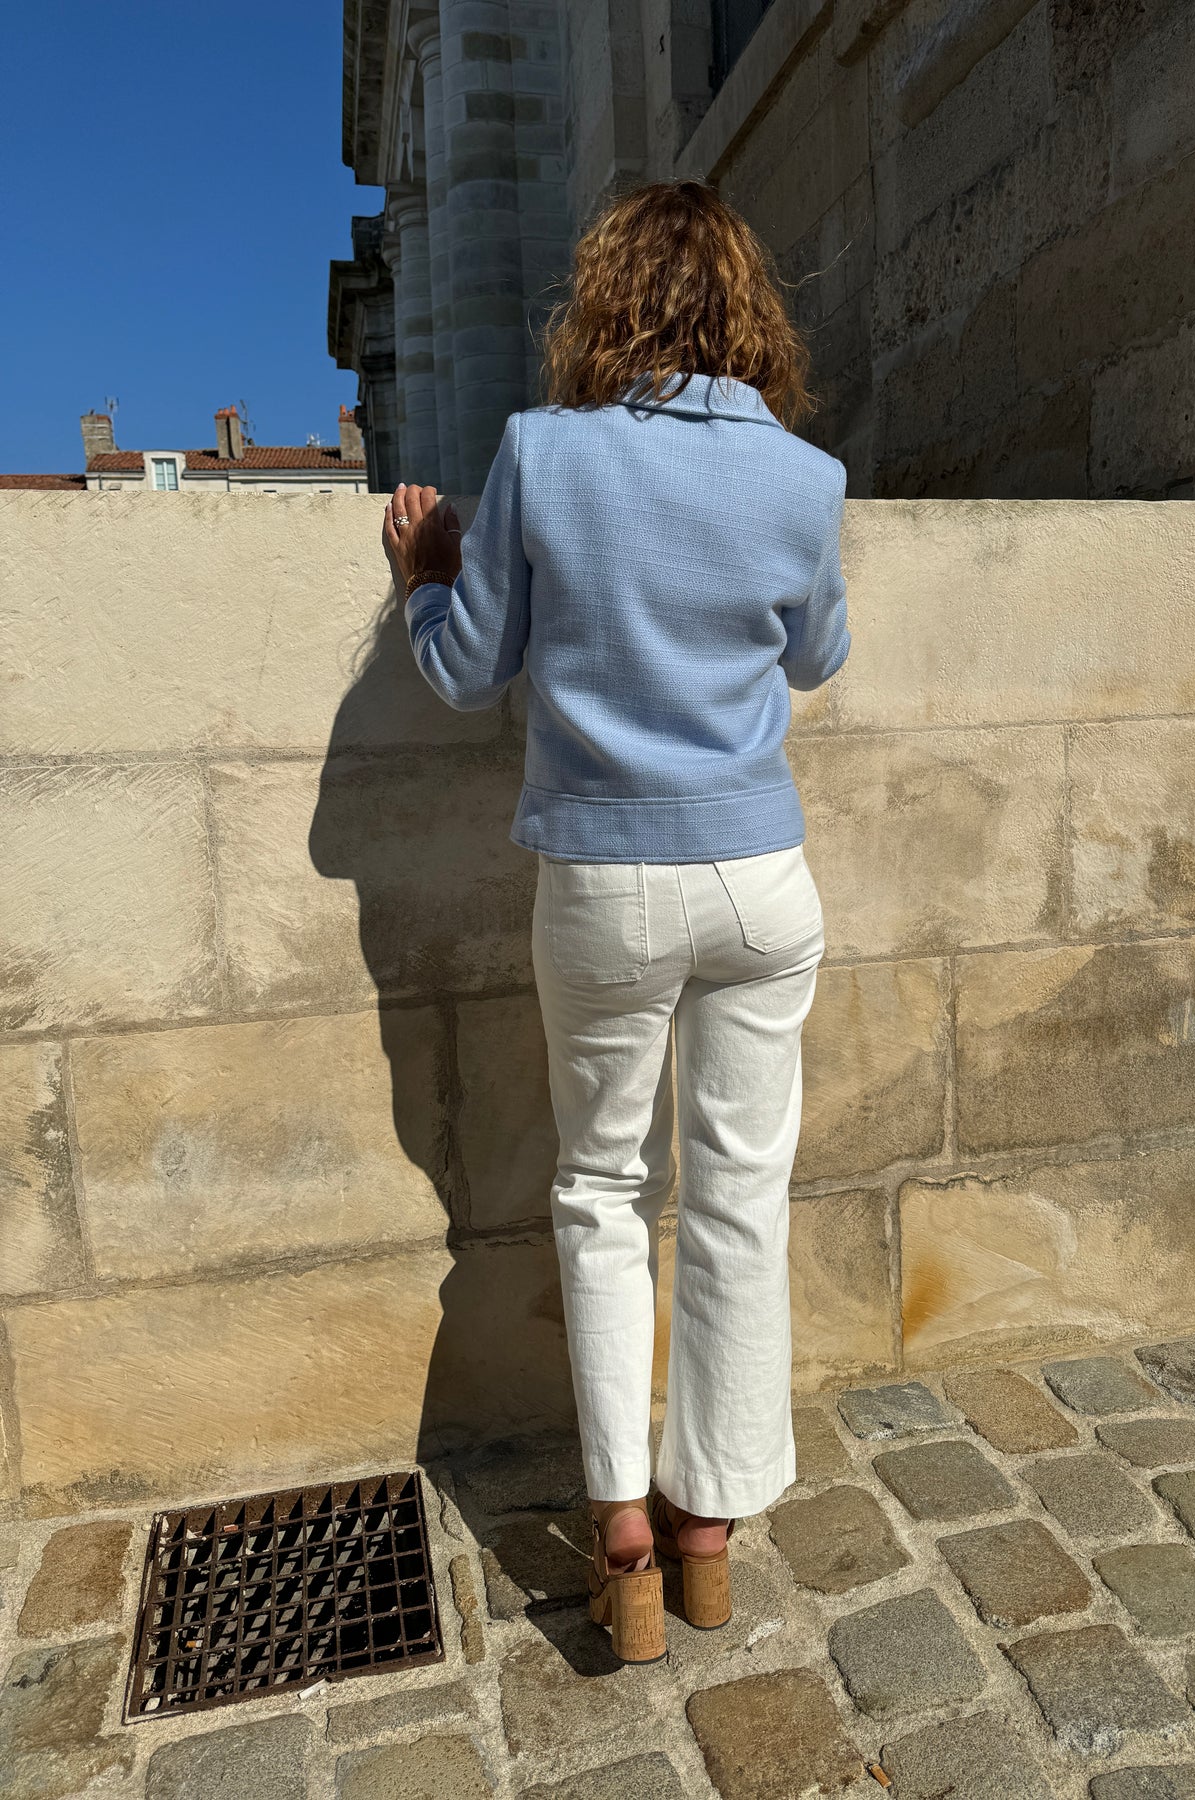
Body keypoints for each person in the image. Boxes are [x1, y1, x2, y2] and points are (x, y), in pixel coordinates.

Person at [382, 177, 850, 1664]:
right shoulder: (804, 476)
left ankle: (625, 1538)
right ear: (747, 313)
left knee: (600, 1190)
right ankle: (711, 1535)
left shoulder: (545, 453)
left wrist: (426, 579)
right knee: (738, 1195)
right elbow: (818, 656)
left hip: (607, 880)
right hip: (761, 878)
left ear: (603, 306)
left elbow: (468, 670)